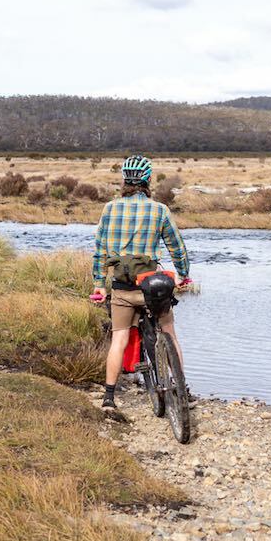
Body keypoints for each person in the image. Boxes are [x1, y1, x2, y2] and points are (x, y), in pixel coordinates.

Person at [90, 154, 191, 414]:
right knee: (168, 332)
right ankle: (182, 388)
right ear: (147, 180)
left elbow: (100, 251)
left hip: (123, 288)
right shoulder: (159, 210)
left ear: (125, 180)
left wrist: (99, 285)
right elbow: (177, 247)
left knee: (119, 338)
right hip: (152, 287)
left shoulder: (110, 209)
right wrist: (183, 275)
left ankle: (109, 398)